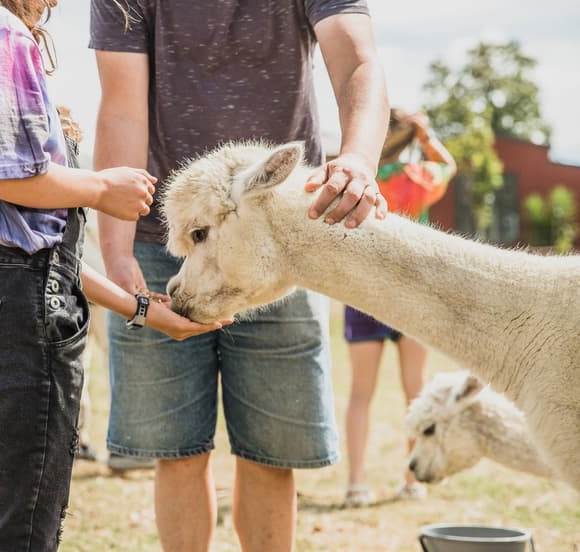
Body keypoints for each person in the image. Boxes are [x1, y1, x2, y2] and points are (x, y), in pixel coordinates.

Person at [0, 1, 226, 549]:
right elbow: (5, 176)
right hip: (20, 316)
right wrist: (103, 188)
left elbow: (32, 247)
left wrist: (145, 311)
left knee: (0, 531)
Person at [90, 1, 389, 550]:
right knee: (176, 451)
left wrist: (359, 160)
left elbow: (357, 62)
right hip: (168, 242)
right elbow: (122, 109)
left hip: (280, 243)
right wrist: (117, 249)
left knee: (273, 453)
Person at [343, 108, 457, 507]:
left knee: (360, 395)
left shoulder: (357, 182)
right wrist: (425, 135)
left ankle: (356, 484)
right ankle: (411, 480)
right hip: (412, 295)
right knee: (416, 391)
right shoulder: (417, 178)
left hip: (362, 293)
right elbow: (448, 165)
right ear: (409, 140)